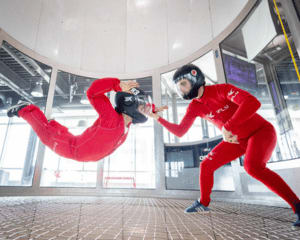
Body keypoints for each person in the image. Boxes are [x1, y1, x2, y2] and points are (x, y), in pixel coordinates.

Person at [147, 64, 300, 227]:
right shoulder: (194, 106)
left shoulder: (221, 90)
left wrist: (228, 127)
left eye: (183, 84)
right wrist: (158, 119)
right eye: (179, 88)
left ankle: (297, 207)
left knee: (252, 167)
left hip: (261, 132)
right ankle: (203, 203)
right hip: (236, 140)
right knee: (206, 165)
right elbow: (180, 131)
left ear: (195, 78)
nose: (182, 90)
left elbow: (252, 102)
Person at [7, 78, 150, 162]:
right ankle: (24, 110)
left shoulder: (126, 126)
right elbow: (92, 93)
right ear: (129, 102)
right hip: (72, 149)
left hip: (79, 150)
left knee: (52, 131)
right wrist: (116, 84)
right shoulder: (111, 119)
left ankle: (52, 124)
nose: (147, 108)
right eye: (143, 104)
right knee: (45, 134)